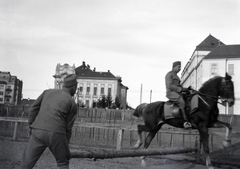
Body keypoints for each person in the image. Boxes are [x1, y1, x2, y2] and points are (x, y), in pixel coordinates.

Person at [20, 74, 78, 169]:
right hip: (57, 134)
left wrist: (31, 126)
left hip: (38, 131)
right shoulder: (72, 103)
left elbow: (33, 109)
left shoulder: (47, 92)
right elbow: (68, 128)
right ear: (73, 87)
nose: (75, 91)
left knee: (26, 164)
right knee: (63, 162)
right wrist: (64, 147)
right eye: (76, 88)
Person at [165, 61, 192, 129]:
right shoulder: (169, 74)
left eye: (180, 67)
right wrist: (181, 90)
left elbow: (179, 86)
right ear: (174, 67)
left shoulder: (176, 76)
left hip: (177, 92)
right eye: (178, 67)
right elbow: (170, 85)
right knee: (181, 102)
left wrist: (186, 89)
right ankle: (186, 122)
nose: (180, 69)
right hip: (171, 92)